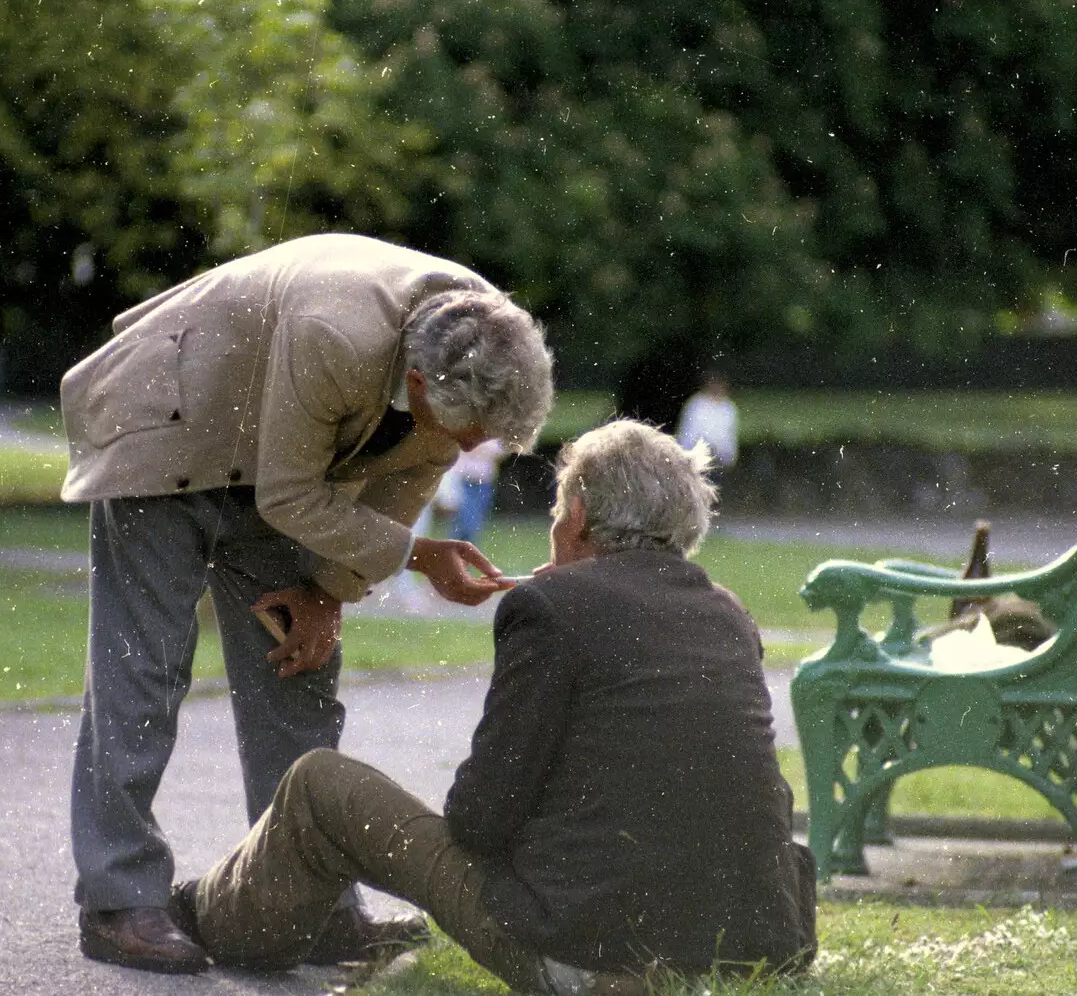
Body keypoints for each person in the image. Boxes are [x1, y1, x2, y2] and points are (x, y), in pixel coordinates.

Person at [170, 420, 817, 991]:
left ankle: (202, 914)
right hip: (749, 951)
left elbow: (479, 818)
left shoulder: (551, 608)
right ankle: (283, 918)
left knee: (319, 784)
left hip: (588, 954)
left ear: (580, 519)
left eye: (558, 514)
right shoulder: (728, 614)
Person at [57, 233, 556, 974]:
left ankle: (307, 903)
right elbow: (290, 494)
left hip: (269, 451)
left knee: (296, 665)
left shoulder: (486, 337)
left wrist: (327, 592)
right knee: (146, 666)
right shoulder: (339, 333)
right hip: (165, 422)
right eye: (466, 433)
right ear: (419, 387)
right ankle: (118, 896)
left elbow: (405, 480)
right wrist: (420, 555)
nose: (469, 448)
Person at [445, 437, 507, 543]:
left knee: (475, 520)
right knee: (465, 520)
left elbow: (501, 451)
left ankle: (466, 550)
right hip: (464, 478)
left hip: (484, 482)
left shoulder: (494, 433)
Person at [675, 372, 738, 468]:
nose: (717, 388)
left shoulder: (728, 407)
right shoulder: (696, 405)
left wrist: (728, 456)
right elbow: (688, 434)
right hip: (695, 457)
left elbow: (730, 436)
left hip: (720, 459)